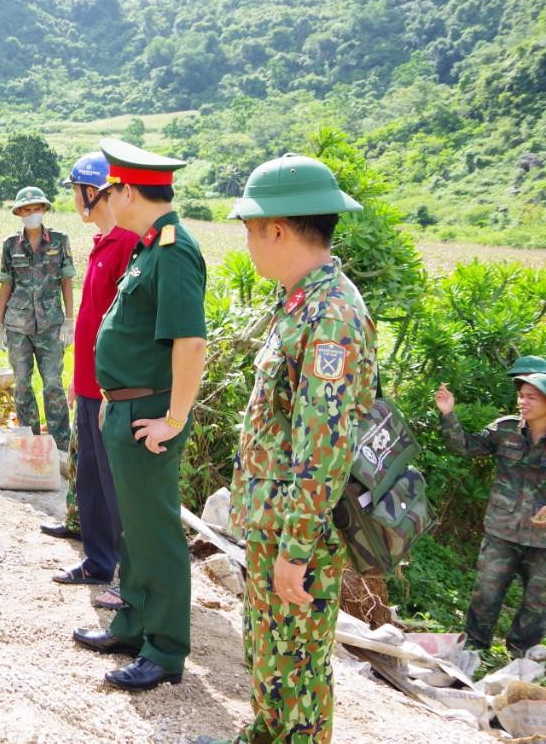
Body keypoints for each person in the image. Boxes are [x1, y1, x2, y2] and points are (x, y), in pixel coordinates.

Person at [205, 153, 374, 743]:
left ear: (276, 229)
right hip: (276, 520)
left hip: (297, 530)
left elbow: (324, 443)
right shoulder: (302, 299)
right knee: (270, 658)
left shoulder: (331, 314)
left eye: (251, 231)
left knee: (296, 669)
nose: (249, 244)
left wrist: (296, 549)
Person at [72, 139, 205, 692]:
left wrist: (173, 420)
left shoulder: (173, 250)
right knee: (133, 531)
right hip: (122, 408)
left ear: (128, 191)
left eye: (110, 190)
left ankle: (166, 649)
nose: (105, 199)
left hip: (150, 411)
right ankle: (132, 624)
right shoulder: (149, 248)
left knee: (156, 533)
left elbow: (190, 344)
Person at [46, 154, 139, 609]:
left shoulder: (127, 244)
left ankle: (126, 573)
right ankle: (97, 562)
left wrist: (106, 386)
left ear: (92, 191)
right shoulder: (102, 241)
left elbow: (127, 325)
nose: (73, 199)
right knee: (89, 480)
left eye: (74, 190)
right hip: (87, 382)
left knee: (114, 482)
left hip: (109, 388)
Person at [436, 371, 546, 659]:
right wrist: (448, 414)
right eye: (521, 395)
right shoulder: (505, 429)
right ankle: (473, 650)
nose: (523, 402)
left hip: (543, 541)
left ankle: (520, 657)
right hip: (502, 531)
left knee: (538, 603)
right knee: (486, 593)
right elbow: (463, 445)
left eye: (531, 397)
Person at [0, 185, 75, 463]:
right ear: (19, 213)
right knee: (21, 383)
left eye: (36, 209)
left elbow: (67, 280)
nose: (32, 214)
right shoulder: (10, 245)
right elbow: (6, 284)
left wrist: (69, 319)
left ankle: (60, 445)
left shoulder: (59, 240)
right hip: (17, 324)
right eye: (26, 210)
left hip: (51, 323)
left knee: (52, 382)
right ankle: (27, 439)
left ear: (44, 210)